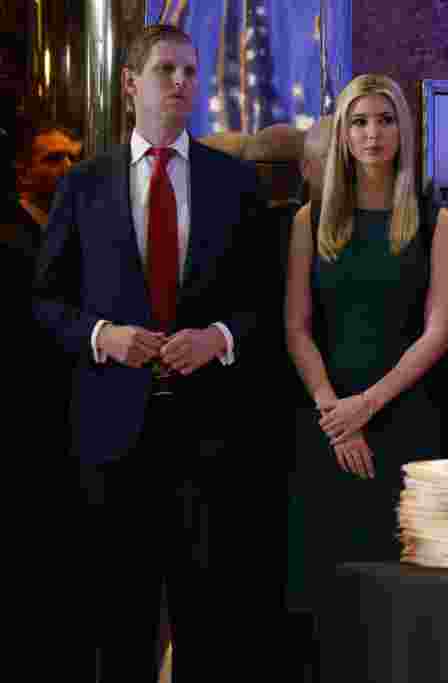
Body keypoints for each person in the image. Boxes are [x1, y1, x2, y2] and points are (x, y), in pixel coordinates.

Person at [32, 24, 266, 681]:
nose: (181, 83)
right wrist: (105, 335)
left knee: (211, 621)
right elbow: (46, 303)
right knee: (118, 621)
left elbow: (262, 305)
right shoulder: (83, 184)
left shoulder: (235, 182)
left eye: (190, 71)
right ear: (131, 83)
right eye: (166, 69)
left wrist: (217, 338)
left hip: (211, 438)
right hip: (112, 436)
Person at [284, 74, 448, 594]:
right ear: (342, 133)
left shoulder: (437, 220)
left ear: (402, 131)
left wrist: (368, 404)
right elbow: (296, 328)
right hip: (327, 423)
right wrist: (337, 414)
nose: (372, 133)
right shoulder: (309, 221)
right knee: (325, 586)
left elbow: (438, 329)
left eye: (385, 120)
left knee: (403, 588)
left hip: (407, 419)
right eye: (358, 121)